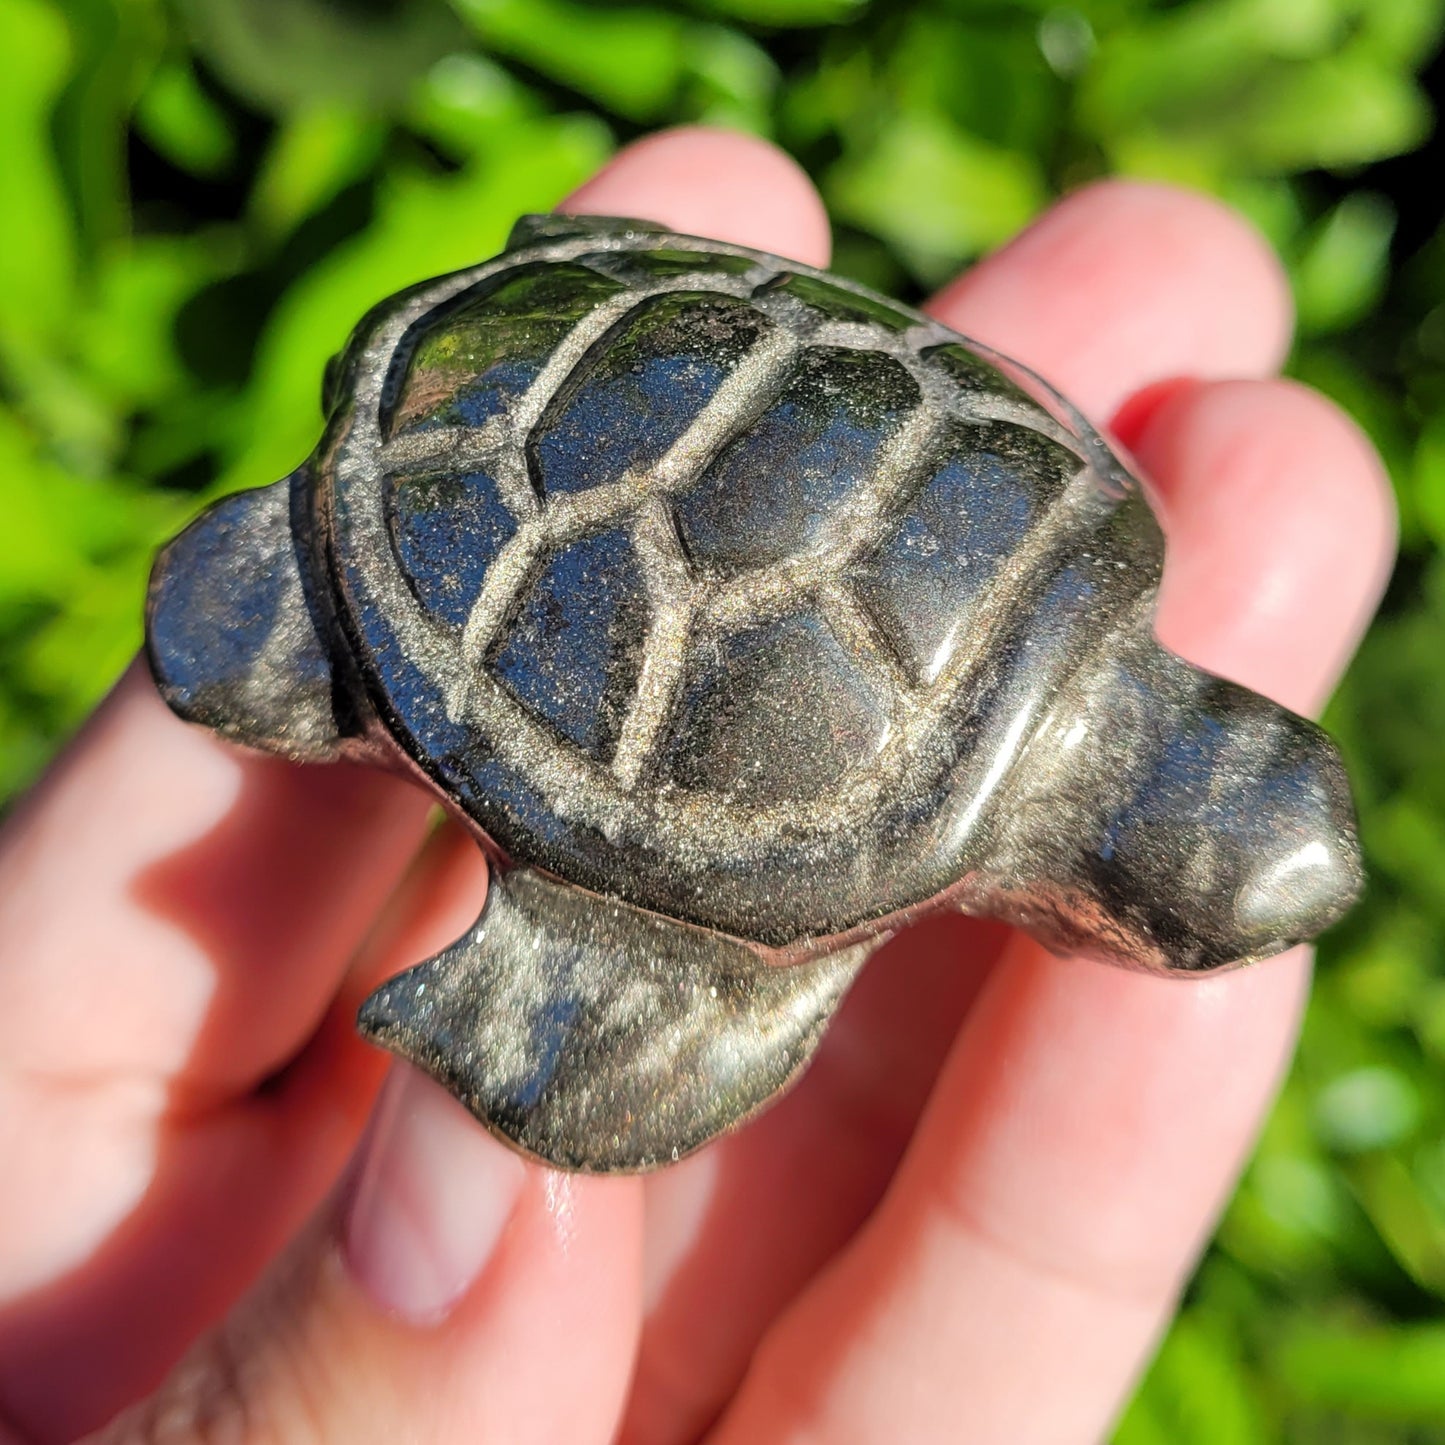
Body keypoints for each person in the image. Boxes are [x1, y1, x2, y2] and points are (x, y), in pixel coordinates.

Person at [0, 127, 1395, 1445]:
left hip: (629, 318)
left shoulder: (1091, 501)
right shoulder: (835, 864)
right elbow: (602, 1038)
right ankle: (308, 596)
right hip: (449, 518)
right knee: (258, 665)